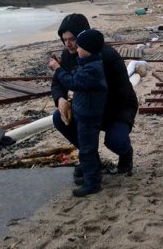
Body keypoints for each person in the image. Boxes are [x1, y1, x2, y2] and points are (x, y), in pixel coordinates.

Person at [51, 14, 137, 185]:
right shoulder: (68, 54)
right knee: (58, 119)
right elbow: (58, 82)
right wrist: (60, 99)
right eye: (64, 39)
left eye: (73, 39)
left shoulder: (107, 56)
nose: (68, 44)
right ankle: (92, 162)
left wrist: (95, 117)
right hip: (89, 108)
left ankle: (126, 155)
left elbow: (123, 93)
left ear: (83, 36)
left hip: (117, 108)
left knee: (114, 141)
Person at [49, 29, 107, 197]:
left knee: (87, 150)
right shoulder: (89, 64)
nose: (76, 49)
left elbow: (72, 82)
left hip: (88, 117)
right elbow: (75, 75)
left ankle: (92, 183)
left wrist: (58, 69)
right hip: (84, 114)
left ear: (88, 50)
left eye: (79, 47)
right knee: (87, 148)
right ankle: (91, 176)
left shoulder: (92, 69)